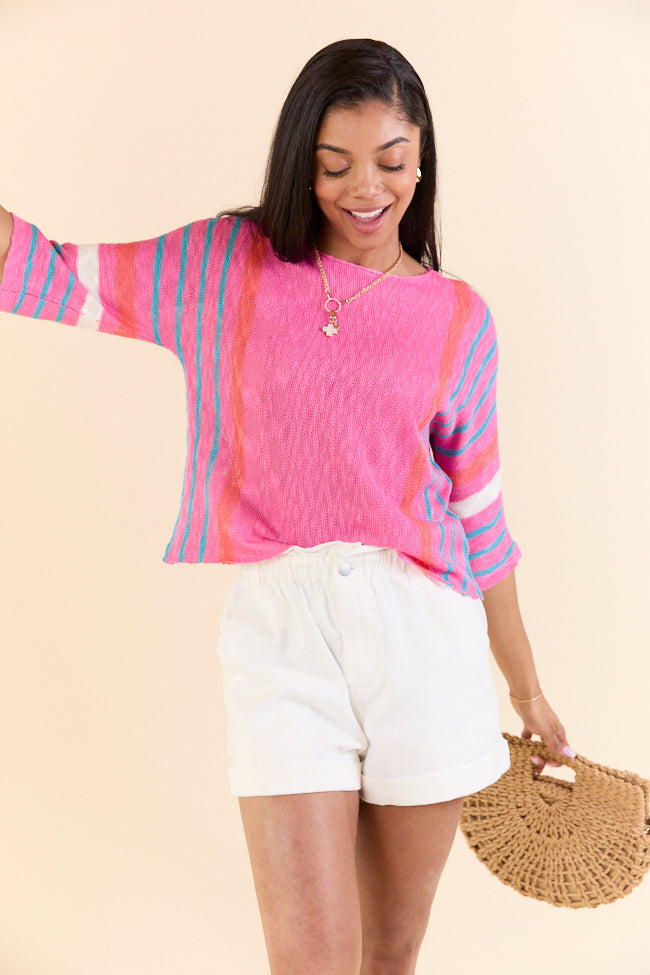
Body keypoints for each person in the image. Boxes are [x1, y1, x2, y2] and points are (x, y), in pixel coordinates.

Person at [0, 37, 575, 975]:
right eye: (334, 164)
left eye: (390, 160)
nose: (365, 188)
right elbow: (55, 272)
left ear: (422, 159)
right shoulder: (225, 265)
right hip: (283, 638)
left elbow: (481, 517)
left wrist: (529, 690)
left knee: (391, 951)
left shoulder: (458, 317)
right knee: (311, 958)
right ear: (300, 162)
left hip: (426, 640)